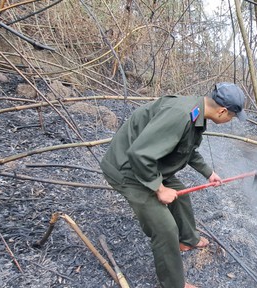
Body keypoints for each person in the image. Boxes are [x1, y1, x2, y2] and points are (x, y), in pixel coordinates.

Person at [100, 82, 247, 288]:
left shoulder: (196, 111)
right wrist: (159, 188)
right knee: (165, 229)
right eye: (232, 116)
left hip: (150, 162)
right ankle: (173, 284)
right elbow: (138, 154)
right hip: (128, 169)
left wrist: (208, 172)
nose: (230, 120)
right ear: (222, 111)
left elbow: (185, 148)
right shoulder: (180, 115)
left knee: (181, 195)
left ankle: (187, 239)